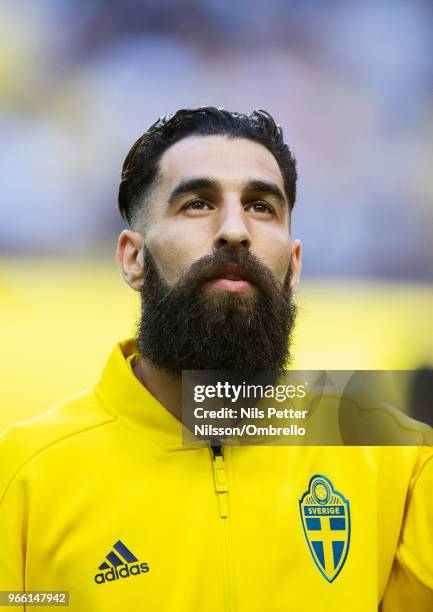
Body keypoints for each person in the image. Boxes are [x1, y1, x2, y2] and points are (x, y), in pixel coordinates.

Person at [0, 107, 432, 611]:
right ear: (132, 258)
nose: (234, 230)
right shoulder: (22, 473)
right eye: (198, 204)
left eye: (262, 206)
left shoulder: (400, 462)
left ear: (293, 267)